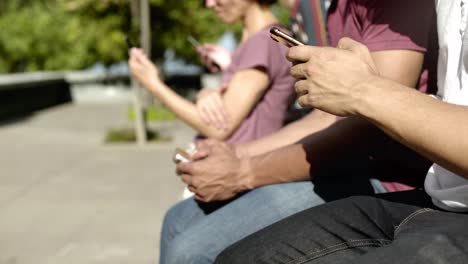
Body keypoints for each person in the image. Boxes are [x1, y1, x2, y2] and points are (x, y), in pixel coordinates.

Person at [160, 0, 438, 263]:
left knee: (191, 251)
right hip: (347, 165)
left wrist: (241, 171)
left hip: (388, 181)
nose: (209, 4)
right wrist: (235, 153)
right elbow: (327, 116)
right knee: (177, 220)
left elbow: (369, 126)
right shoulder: (336, 8)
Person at [129, 0, 295, 144]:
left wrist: (152, 83)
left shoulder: (262, 43)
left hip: (241, 170)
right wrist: (227, 68)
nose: (209, 4)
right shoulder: (265, 40)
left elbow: (219, 127)